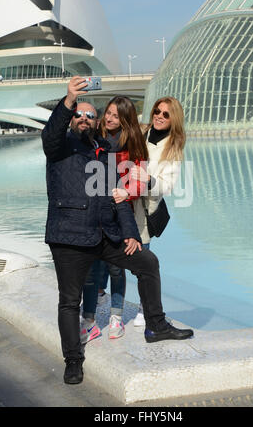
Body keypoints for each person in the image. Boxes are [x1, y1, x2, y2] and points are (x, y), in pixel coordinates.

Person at [41, 77, 194, 385]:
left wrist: (131, 235)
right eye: (78, 114)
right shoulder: (59, 146)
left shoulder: (105, 149)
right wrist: (69, 99)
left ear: (97, 123)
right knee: (69, 301)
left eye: (90, 115)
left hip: (103, 235)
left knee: (148, 264)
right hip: (69, 236)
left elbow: (117, 196)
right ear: (71, 118)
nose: (84, 118)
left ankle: (156, 324)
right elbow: (51, 132)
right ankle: (73, 360)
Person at [81, 95, 148, 341]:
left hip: (119, 213)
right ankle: (87, 317)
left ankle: (116, 317)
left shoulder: (132, 146)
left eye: (116, 116)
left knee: (117, 269)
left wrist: (126, 191)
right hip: (93, 214)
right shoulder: (94, 138)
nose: (109, 118)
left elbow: (140, 181)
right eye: (108, 113)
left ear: (125, 120)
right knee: (92, 266)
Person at [130, 96, 187, 326]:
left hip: (144, 210)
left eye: (166, 114)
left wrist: (149, 180)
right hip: (124, 204)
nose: (159, 116)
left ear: (174, 119)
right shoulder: (141, 133)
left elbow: (168, 186)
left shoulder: (173, 148)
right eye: (157, 111)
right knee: (115, 261)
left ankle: (145, 308)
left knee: (144, 262)